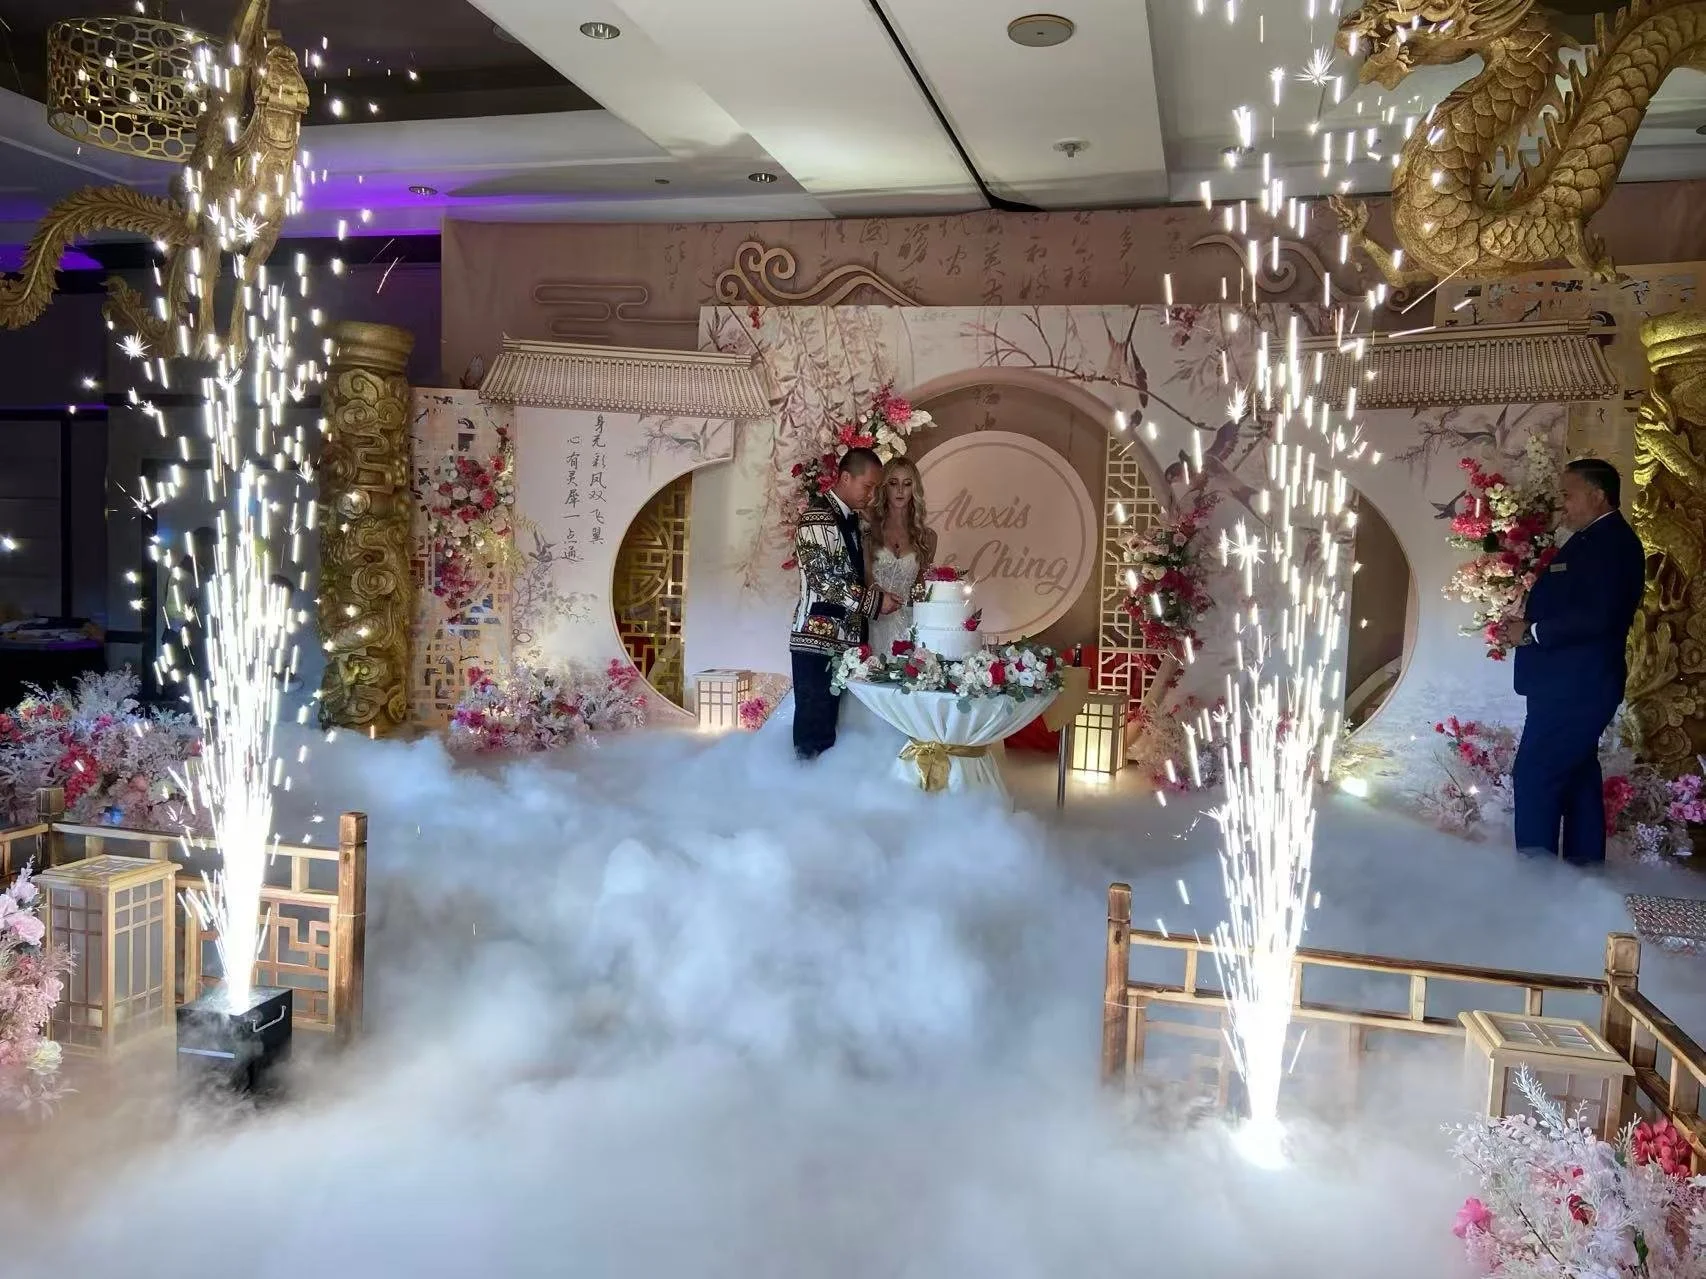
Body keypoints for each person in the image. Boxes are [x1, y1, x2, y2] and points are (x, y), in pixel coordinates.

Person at [1497, 457, 1645, 866]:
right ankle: (1583, 875)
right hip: (1569, 683)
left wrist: (1531, 631)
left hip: (1577, 686)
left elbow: (1599, 616)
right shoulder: (1591, 540)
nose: (1562, 503)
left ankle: (1536, 881)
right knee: (1578, 779)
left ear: (1597, 495)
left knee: (1536, 774)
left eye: (1568, 494)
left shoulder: (1612, 543)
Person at [788, 448, 899, 760]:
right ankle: (802, 783)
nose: (872, 496)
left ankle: (819, 784)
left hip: (842, 640)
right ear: (846, 477)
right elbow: (823, 580)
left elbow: (847, 574)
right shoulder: (817, 518)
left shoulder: (850, 520)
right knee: (813, 732)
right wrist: (874, 602)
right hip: (815, 640)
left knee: (830, 729)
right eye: (868, 487)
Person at [866, 456, 938, 657]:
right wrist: (877, 595)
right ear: (884, 487)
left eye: (907, 484)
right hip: (873, 622)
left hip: (909, 626)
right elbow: (865, 579)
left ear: (914, 489)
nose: (900, 490)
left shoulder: (927, 537)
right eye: (893, 483)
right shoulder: (868, 531)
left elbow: (921, 590)